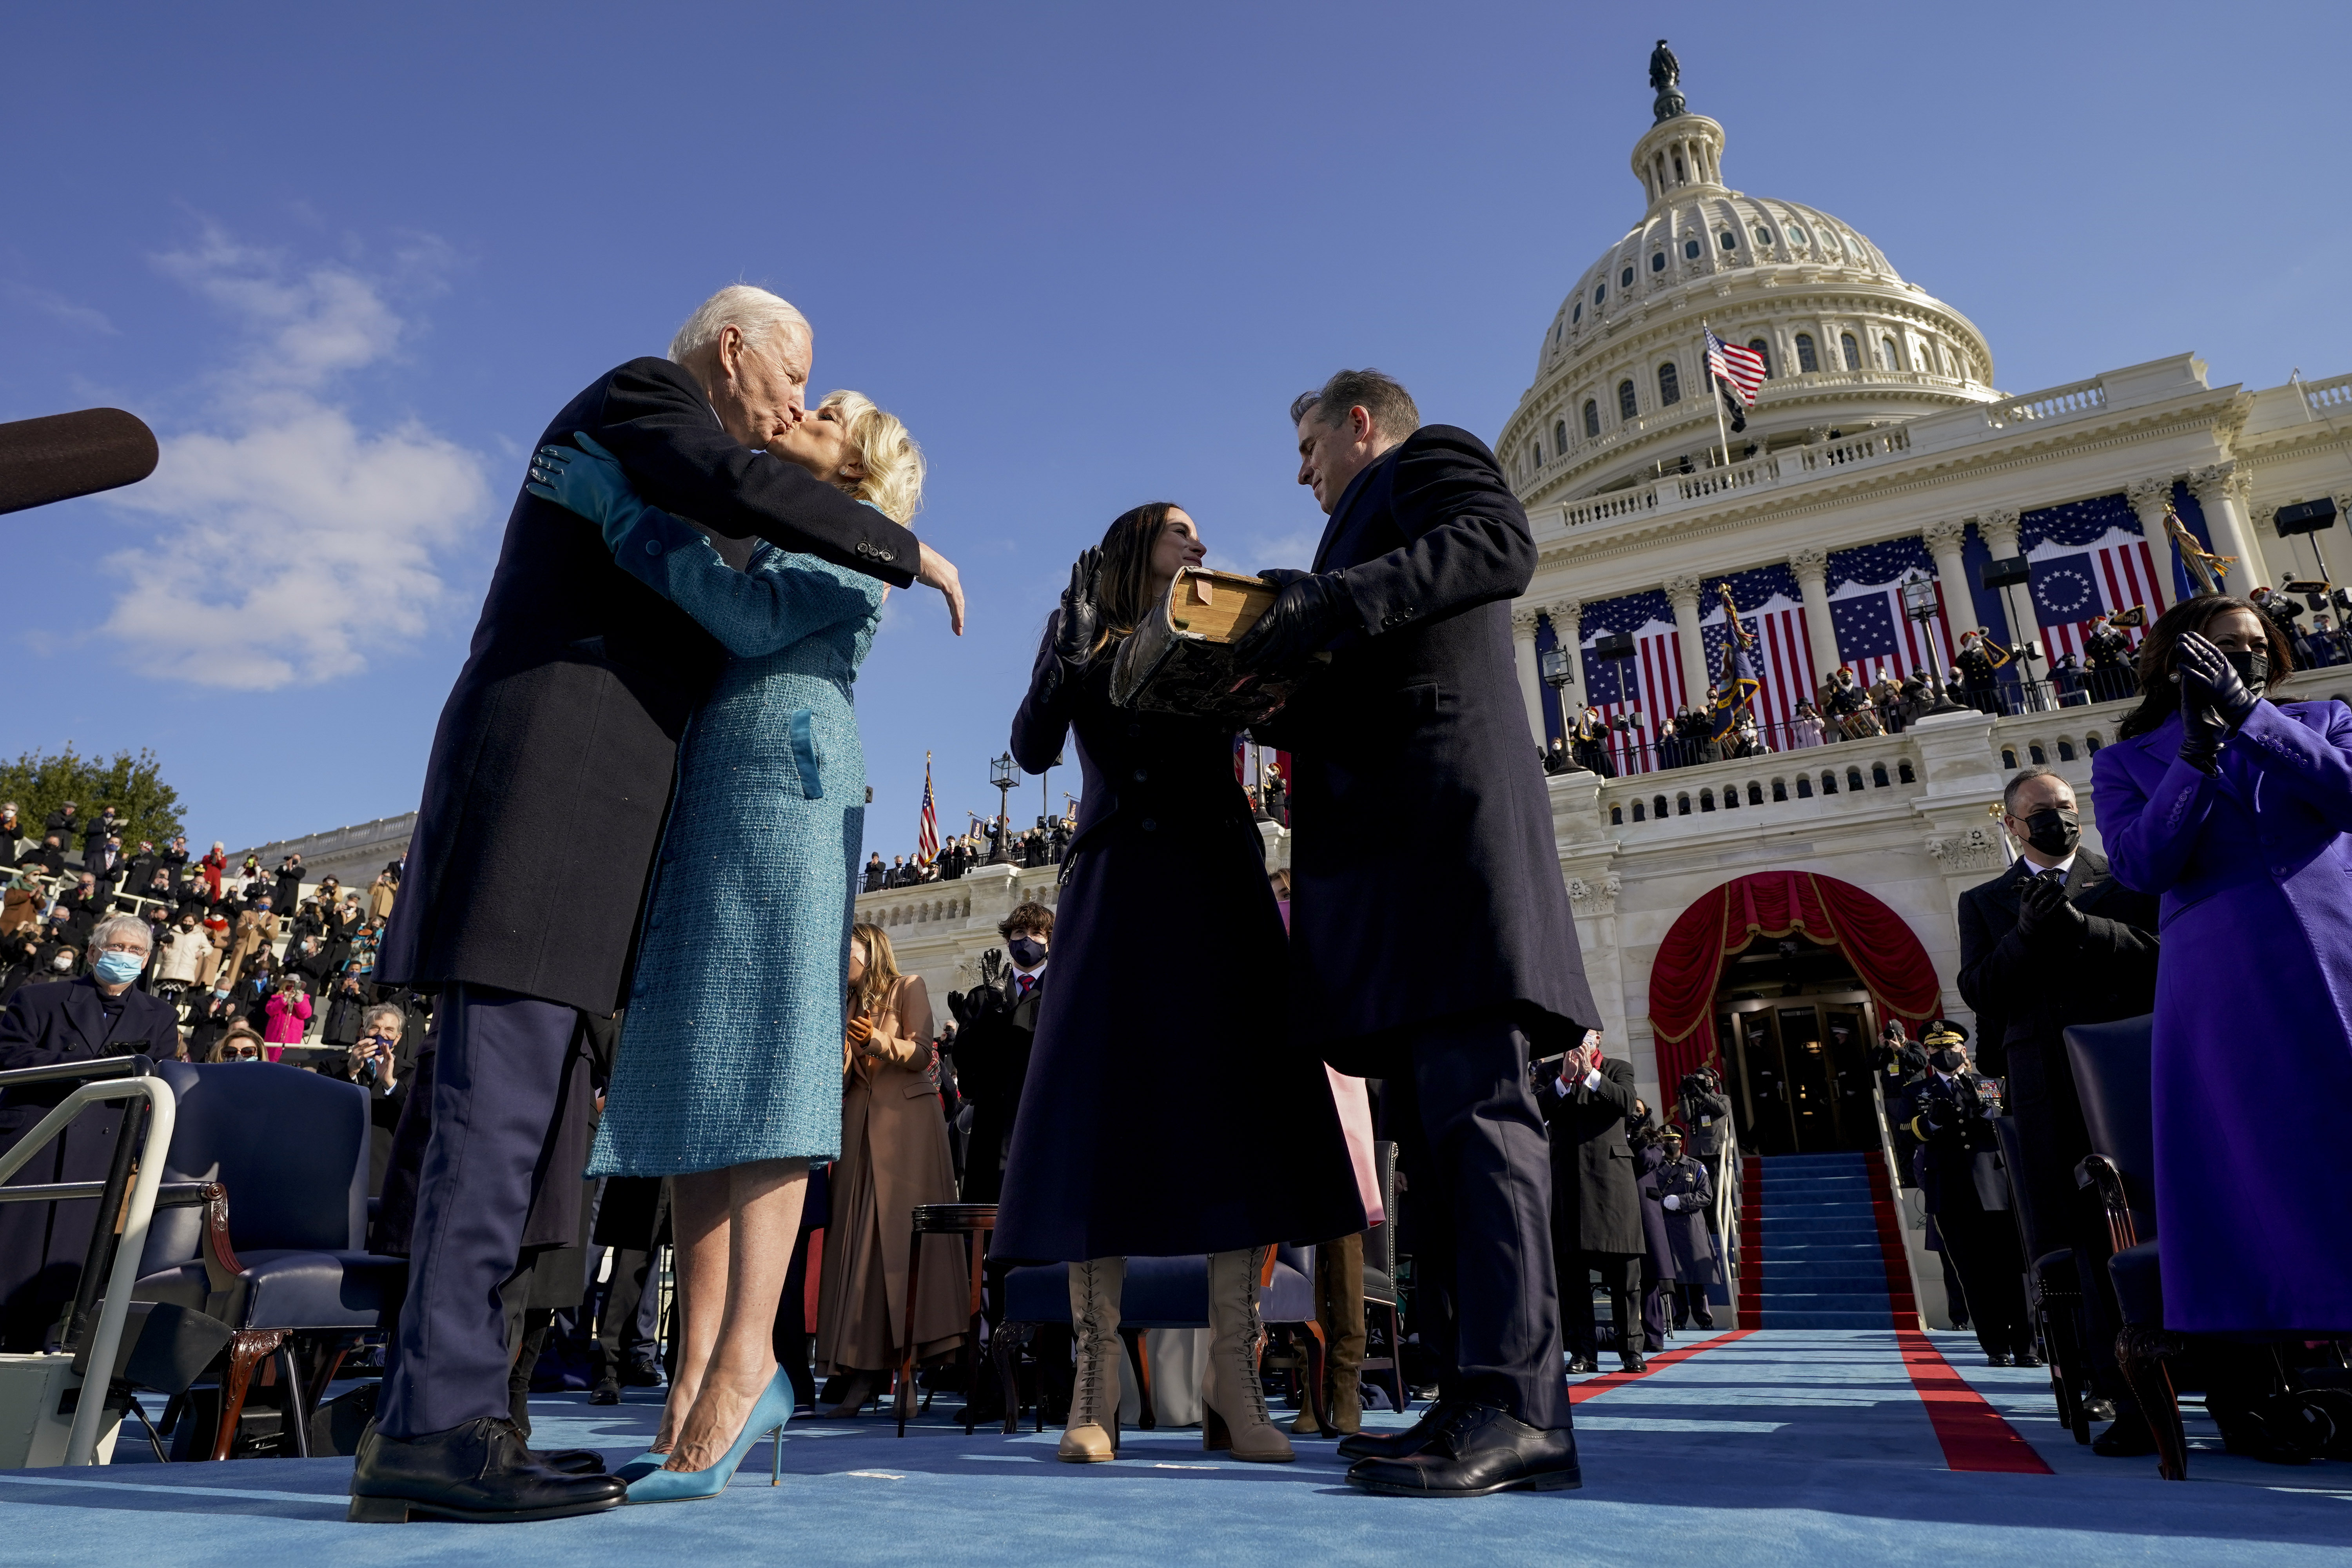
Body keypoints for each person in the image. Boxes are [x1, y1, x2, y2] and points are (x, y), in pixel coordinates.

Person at [357, 289, 957, 1526]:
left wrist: (880, 538)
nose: (797, 404)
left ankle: (669, 1381)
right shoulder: (652, 399)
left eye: (824, 405)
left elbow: (730, 588)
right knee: (627, 1097)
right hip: (581, 810)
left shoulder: (784, 530)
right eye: (798, 378)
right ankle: (475, 1410)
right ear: (729, 349)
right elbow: (722, 494)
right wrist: (879, 535)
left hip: (734, 805)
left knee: (741, 1083)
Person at [536, 380, 920, 1505]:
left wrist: (621, 515)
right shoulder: (766, 529)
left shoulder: (859, 542)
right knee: (705, 1088)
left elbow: (745, 625)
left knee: (762, 1073)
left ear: (864, 464)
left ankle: (751, 1362)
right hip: (713, 798)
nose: (811, 408)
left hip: (786, 806)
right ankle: (696, 1369)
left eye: (835, 409)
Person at [1241, 368, 1595, 1497]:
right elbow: (1371, 680)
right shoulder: (1358, 531)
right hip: (1391, 873)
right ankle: (1466, 1392)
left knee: (1486, 1130)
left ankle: (1523, 1405)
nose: (1301, 473)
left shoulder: (1429, 459)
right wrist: (1273, 697)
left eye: (1307, 447)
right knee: (1439, 1160)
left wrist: (1325, 604)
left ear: (1358, 424)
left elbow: (1498, 549)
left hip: (1450, 846)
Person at [999, 502, 1363, 1467]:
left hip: (1218, 879)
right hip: (1119, 884)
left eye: (1199, 536)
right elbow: (1033, 747)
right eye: (1179, 533)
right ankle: (1094, 1385)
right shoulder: (1083, 625)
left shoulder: (1226, 617)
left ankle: (1232, 1382)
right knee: (1098, 1124)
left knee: (1241, 1119)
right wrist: (1064, 659)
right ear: (1132, 550)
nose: (1199, 545)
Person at [2091, 595, 2352, 1341]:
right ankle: (2288, 1335)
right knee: (2264, 1146)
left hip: (2339, 948)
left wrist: (2251, 718)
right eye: (2231, 646)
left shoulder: (2323, 718)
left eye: (2260, 644)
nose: (2252, 656)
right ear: (2182, 660)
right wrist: (2196, 755)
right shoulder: (2124, 761)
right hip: (2226, 977)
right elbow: (2144, 865)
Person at [1956, 762, 2160, 1448]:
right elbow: (1981, 989)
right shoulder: (1986, 901)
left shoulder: (2124, 875)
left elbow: (2159, 956)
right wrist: (2025, 935)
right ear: (2012, 825)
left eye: (2067, 806)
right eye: (2040, 811)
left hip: (2128, 1076)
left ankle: (2216, 1375)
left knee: (2153, 1217)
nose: (2058, 819)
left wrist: (2081, 929)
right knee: (2083, 1238)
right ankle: (2118, 1387)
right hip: (2046, 1086)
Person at [0, 914, 178, 1350]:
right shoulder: (39, 998)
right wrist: (91, 1073)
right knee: (10, 1263)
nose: (126, 957)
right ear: (94, 951)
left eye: (137, 951)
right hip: (36, 1147)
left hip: (102, 1155)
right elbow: (10, 1057)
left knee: (59, 1288)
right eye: (118, 947)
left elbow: (162, 1080)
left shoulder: (160, 1014)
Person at [812, 923, 964, 1415]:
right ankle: (860, 1375)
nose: (843, 958)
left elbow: (923, 1053)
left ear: (871, 948)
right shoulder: (844, 1003)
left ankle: (909, 1376)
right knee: (859, 1254)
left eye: (849, 949)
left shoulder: (910, 986)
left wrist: (878, 1041)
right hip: (858, 1136)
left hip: (908, 1137)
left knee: (905, 1252)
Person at [1904, 1021, 2033, 1365]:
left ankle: (2025, 1345)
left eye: (1953, 1047)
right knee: (1974, 1273)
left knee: (2013, 1271)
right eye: (1937, 1048)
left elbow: (2002, 1126)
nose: (1947, 1053)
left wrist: (1988, 1109)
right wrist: (1931, 1122)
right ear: (1929, 1053)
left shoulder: (1989, 1083)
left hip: (1997, 1190)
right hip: (1951, 1193)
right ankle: (1997, 1347)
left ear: (1964, 1049)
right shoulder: (1919, 1090)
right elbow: (1909, 1132)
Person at [1540, 1034, 1644, 1372]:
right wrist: (1566, 1079)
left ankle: (1631, 1350)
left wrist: (1591, 1075)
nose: (1579, 1042)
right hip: (1568, 1180)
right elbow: (1538, 1109)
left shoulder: (1618, 1069)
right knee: (1572, 1275)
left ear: (1597, 1039)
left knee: (1626, 1274)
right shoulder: (1552, 1073)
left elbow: (1627, 1103)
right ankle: (1583, 1352)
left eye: (1585, 1035)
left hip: (1613, 1181)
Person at [1647, 1127, 1719, 1328]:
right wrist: (1662, 1203)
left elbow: (1706, 1195)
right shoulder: (1655, 1167)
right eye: (1667, 1141)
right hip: (1667, 1225)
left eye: (1674, 1140)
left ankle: (1703, 1318)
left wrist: (1682, 1200)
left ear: (1681, 1142)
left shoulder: (1695, 1167)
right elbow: (1648, 1194)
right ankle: (1679, 1319)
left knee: (1696, 1272)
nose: (1671, 1144)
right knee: (1674, 1273)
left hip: (1691, 1226)